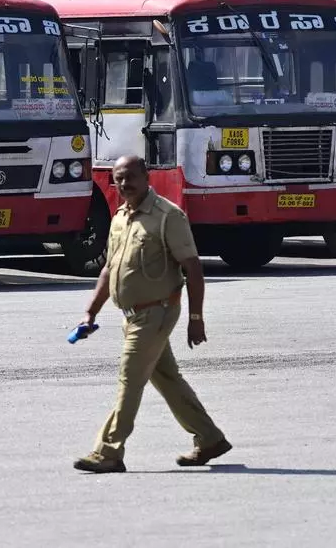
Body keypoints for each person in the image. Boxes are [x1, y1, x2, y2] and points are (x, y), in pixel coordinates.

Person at [73, 154, 231, 473]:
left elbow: (193, 268)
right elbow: (109, 270)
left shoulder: (166, 216)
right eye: (118, 177)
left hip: (157, 312)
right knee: (168, 379)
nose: (124, 183)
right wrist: (90, 313)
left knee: (130, 378)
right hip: (132, 315)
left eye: (131, 176)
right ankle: (210, 438)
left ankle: (108, 451)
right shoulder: (119, 218)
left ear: (147, 177)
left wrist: (196, 319)